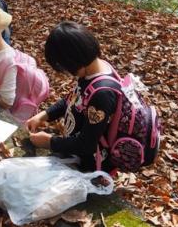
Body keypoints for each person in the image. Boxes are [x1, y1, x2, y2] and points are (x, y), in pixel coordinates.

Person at [26, 21, 119, 171]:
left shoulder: (102, 94)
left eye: (64, 66)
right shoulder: (92, 69)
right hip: (75, 150)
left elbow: (87, 145)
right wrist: (43, 115)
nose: (66, 71)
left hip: (91, 165)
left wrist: (50, 142)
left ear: (74, 60)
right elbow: (74, 99)